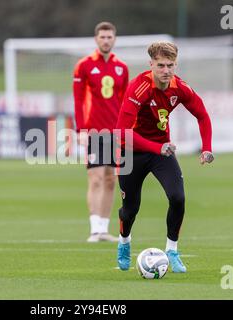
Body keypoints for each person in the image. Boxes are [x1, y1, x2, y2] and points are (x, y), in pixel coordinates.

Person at [115, 41, 214, 272]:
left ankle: (172, 250)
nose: (166, 71)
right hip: (132, 152)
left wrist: (207, 147)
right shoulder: (138, 88)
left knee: (178, 198)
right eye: (161, 65)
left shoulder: (180, 88)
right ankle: (124, 242)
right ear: (151, 64)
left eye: (171, 65)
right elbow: (121, 133)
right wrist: (155, 147)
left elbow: (202, 115)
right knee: (130, 209)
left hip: (161, 151)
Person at [73, 22, 129, 242]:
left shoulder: (122, 68)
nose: (106, 40)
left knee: (110, 180)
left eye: (110, 37)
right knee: (95, 178)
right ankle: (94, 229)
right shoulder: (84, 66)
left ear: (114, 39)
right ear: (96, 39)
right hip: (93, 130)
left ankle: (104, 229)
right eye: (103, 37)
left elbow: (125, 102)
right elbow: (78, 100)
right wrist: (81, 130)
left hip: (115, 132)